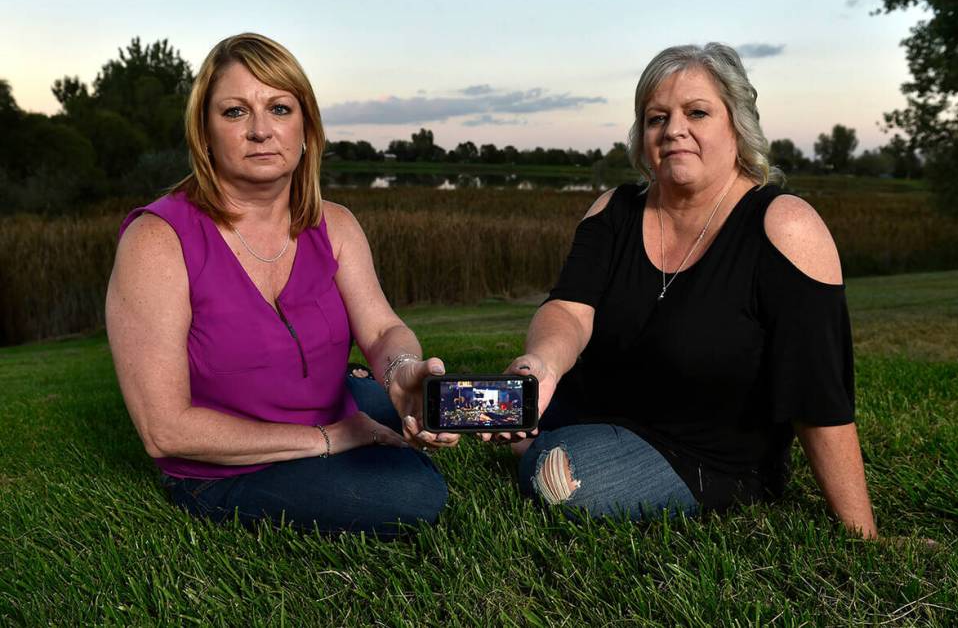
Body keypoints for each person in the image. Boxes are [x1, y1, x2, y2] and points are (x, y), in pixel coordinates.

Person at [500, 43, 877, 538]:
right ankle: (380, 400)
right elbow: (570, 310)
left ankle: (537, 443)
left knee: (563, 480)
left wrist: (863, 532)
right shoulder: (613, 210)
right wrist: (543, 364)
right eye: (657, 117)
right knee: (479, 402)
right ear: (643, 136)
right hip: (594, 409)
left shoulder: (786, 227)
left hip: (704, 456)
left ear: (737, 124)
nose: (674, 129)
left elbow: (818, 395)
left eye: (697, 112)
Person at [105, 33, 459, 538]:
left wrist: (401, 371)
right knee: (411, 495)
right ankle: (357, 417)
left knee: (422, 407)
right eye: (234, 112)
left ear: (307, 129)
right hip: (227, 465)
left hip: (329, 413)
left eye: (279, 107)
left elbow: (382, 330)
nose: (260, 131)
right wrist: (331, 438)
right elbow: (165, 430)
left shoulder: (334, 224)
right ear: (204, 133)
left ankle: (364, 397)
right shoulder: (157, 240)